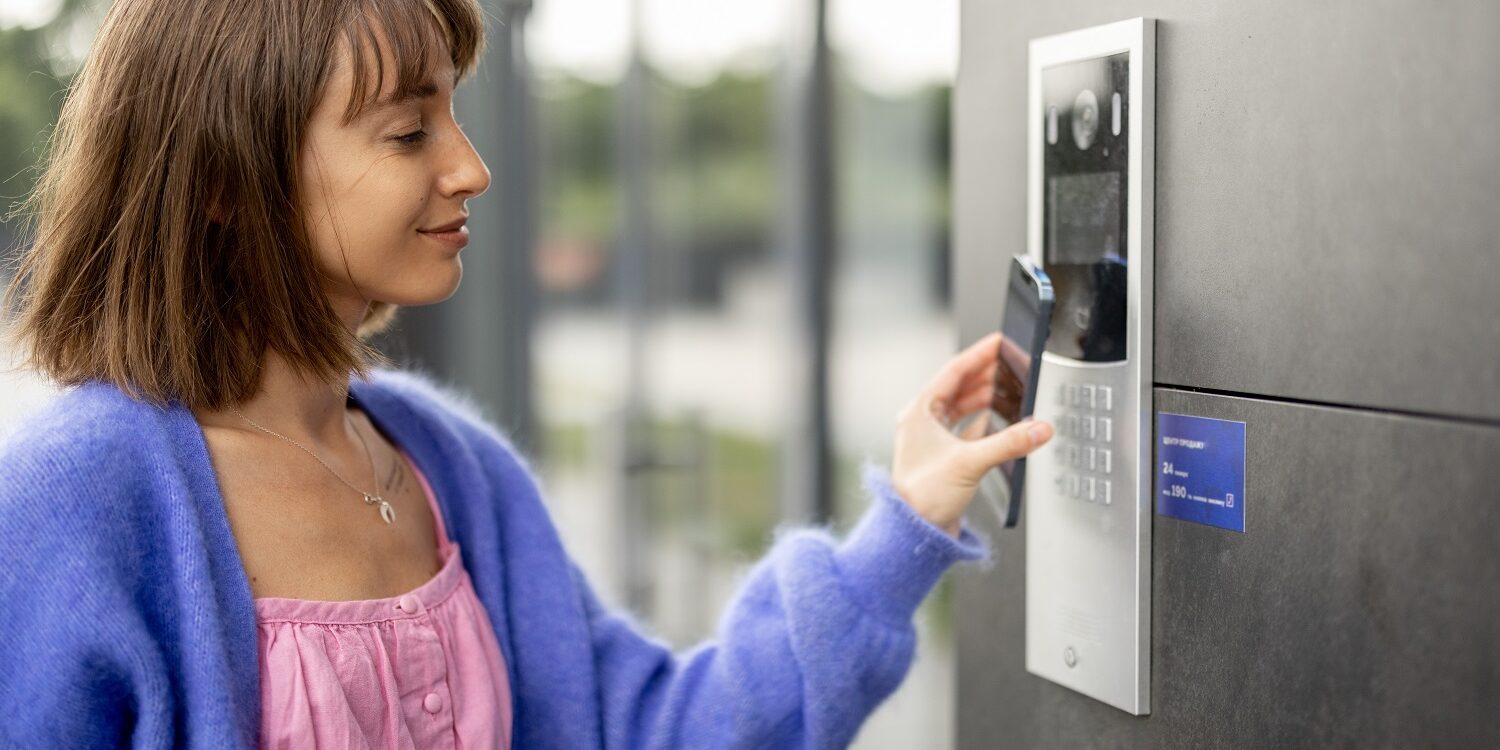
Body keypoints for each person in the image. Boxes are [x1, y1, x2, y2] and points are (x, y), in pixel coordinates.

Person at [0, 0, 1053, 747]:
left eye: (453, 114)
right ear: (228, 176)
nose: (470, 165)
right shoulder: (78, 494)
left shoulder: (452, 470)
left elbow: (658, 733)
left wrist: (902, 526)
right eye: (410, 129)